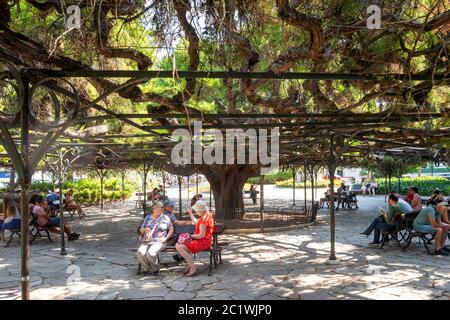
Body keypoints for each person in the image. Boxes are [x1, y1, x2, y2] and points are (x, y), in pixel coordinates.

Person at [176, 200, 214, 277]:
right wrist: (190, 213)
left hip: (203, 242)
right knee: (178, 245)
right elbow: (196, 222)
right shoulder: (206, 216)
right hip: (202, 241)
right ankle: (190, 265)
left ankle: (193, 267)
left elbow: (201, 235)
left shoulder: (204, 219)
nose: (195, 212)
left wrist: (189, 236)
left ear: (200, 211)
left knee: (179, 247)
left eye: (196, 210)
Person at [137, 201, 174, 275]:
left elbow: (171, 228)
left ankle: (155, 268)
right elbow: (141, 229)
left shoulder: (165, 217)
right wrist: (144, 230)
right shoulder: (148, 217)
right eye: (161, 208)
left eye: (163, 208)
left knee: (151, 253)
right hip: (147, 241)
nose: (163, 209)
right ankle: (147, 268)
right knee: (140, 252)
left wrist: (166, 238)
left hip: (159, 241)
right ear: (154, 208)